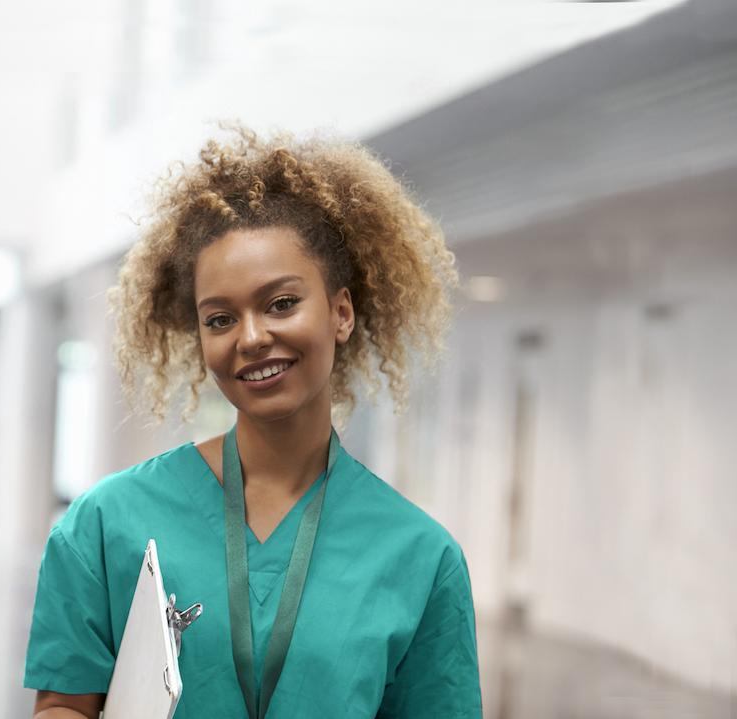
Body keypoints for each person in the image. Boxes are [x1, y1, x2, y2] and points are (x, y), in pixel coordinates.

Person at [24, 126, 483, 718]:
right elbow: (63, 706)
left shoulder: (420, 559)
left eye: (281, 303)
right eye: (219, 319)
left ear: (341, 312)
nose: (251, 337)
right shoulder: (107, 524)